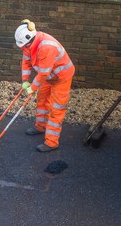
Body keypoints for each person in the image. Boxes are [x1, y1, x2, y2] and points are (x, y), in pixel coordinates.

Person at [14, 19, 75, 152]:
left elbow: (43, 74)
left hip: (61, 77)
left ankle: (52, 142)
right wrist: (25, 80)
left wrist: (32, 88)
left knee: (56, 108)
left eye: (24, 46)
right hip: (49, 76)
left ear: (30, 39)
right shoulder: (28, 45)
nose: (23, 49)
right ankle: (40, 126)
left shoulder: (46, 46)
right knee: (42, 100)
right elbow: (26, 62)